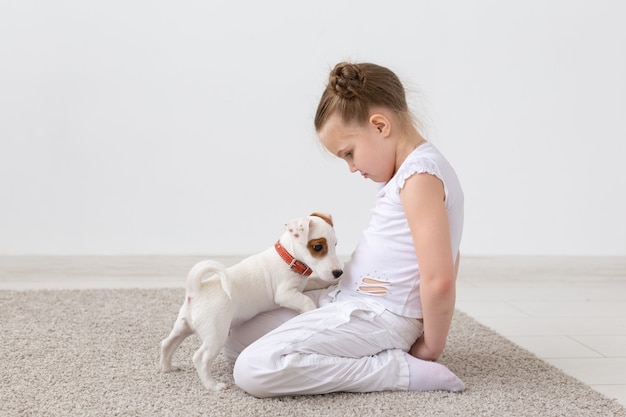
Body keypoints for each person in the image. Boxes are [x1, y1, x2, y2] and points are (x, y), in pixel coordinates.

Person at [224, 62, 465, 397]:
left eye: (349, 154)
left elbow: (440, 277)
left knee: (253, 369)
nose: (352, 168)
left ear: (380, 126)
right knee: (233, 337)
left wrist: (429, 346)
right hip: (346, 299)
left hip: (380, 315)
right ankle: (349, 352)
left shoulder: (420, 177)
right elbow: (449, 252)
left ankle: (397, 370)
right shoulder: (408, 175)